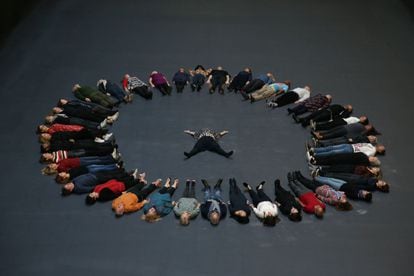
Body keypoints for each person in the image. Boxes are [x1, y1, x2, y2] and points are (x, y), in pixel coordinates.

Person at [61, 168, 133, 195]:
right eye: (68, 186)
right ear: (70, 190)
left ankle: (121, 170)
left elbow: (81, 176)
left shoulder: (73, 181)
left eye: (67, 184)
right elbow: (90, 189)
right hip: (97, 180)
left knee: (109, 172)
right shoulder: (78, 189)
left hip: (93, 174)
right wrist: (98, 185)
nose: (68, 184)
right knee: (113, 177)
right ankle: (127, 174)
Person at [41, 155, 118, 175]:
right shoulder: (61, 169)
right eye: (52, 167)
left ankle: (110, 157)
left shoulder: (58, 162)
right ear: (54, 170)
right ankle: (111, 160)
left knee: (95, 157)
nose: (52, 165)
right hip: (80, 163)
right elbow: (70, 170)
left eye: (51, 165)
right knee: (96, 161)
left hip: (79, 159)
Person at [315, 172, 389, 193]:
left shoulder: (372, 186)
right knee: (338, 174)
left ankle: (318, 176)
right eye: (383, 182)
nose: (381, 181)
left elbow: (361, 186)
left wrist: (351, 184)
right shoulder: (375, 180)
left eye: (382, 183)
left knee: (336, 177)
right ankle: (321, 174)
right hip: (355, 177)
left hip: (352, 181)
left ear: (380, 187)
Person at [55, 163, 120, 184]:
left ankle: (114, 165)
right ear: (63, 178)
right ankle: (116, 168)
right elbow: (82, 175)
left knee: (101, 166)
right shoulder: (72, 178)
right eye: (61, 174)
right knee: (102, 169)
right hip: (89, 171)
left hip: (87, 167)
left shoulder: (68, 171)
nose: (61, 173)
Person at [309, 143, 386, 158]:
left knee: (333, 152)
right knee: (331, 148)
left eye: (381, 148)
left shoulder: (372, 153)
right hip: (350, 145)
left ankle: (316, 155)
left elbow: (362, 155)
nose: (381, 146)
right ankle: (314, 150)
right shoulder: (370, 145)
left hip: (351, 150)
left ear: (380, 151)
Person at [312, 124, 380, 140]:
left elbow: (359, 135)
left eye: (369, 127)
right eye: (369, 125)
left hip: (346, 131)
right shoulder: (361, 125)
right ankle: (319, 133)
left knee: (333, 134)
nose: (368, 126)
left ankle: (321, 137)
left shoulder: (364, 131)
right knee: (330, 130)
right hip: (344, 127)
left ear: (369, 129)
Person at [309, 152, 381, 167]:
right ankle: (316, 159)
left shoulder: (365, 161)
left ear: (372, 161)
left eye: (373, 158)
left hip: (346, 159)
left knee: (330, 160)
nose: (372, 157)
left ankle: (316, 161)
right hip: (346, 156)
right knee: (330, 158)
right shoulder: (365, 159)